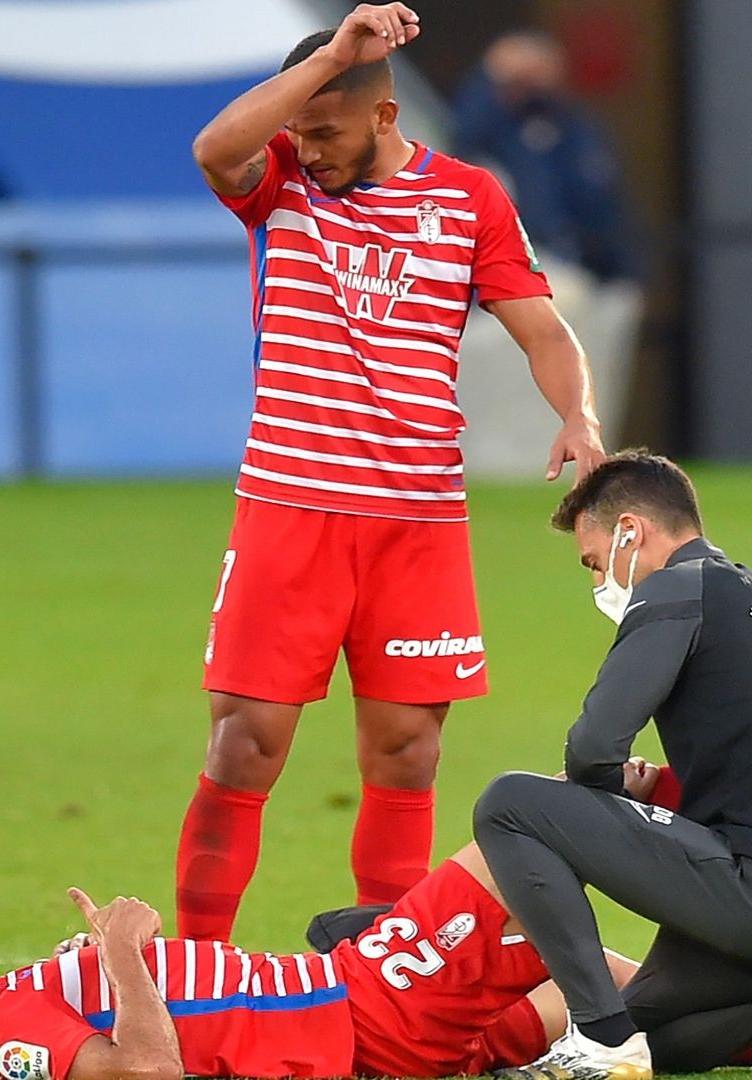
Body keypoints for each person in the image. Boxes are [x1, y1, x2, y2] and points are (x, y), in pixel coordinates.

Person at [178, 0, 607, 945]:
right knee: (246, 744)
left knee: (408, 754)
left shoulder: (470, 198)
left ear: (386, 114)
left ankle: (383, 979)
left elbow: (542, 327)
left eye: (326, 130)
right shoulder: (278, 178)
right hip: (290, 508)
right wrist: (331, 53)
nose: (310, 149)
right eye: (299, 131)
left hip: (416, 522)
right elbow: (215, 147)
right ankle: (194, 974)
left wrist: (576, 415)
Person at [0, 749, 752, 1080]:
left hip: (353, 1019)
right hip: (357, 1015)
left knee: (582, 990)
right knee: (526, 831)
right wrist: (123, 958)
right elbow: (144, 1078)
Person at [469, 451, 752, 1078]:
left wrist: (618, 789)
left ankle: (599, 1034)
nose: (598, 584)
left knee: (510, 805)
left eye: (594, 562)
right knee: (656, 1042)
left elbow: (590, 751)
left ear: (630, 532)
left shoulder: (674, 588)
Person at [449, 30, 640, 282]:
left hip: (581, 263)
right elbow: (464, 135)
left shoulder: (572, 125)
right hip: (516, 262)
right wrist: (492, 75)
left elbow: (600, 199)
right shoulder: (496, 126)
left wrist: (625, 271)